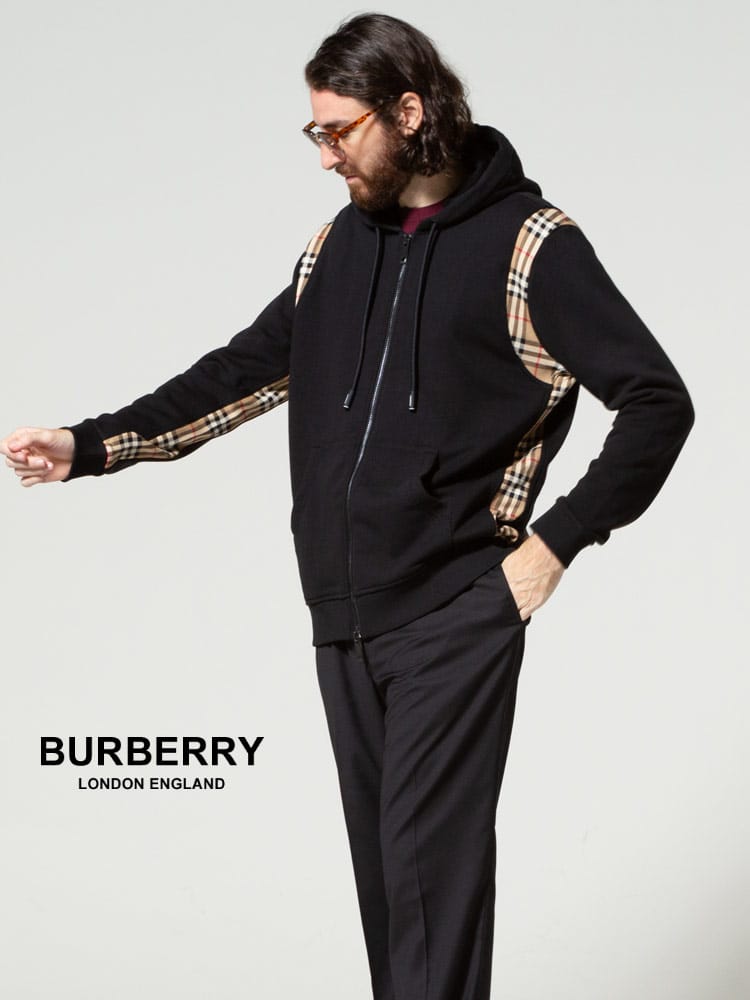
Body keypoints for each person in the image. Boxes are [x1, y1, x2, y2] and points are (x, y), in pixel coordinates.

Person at [0, 13, 694, 1000]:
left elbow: (658, 401)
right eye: (314, 132)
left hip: (454, 613)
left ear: (408, 113)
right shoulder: (338, 247)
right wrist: (93, 444)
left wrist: (552, 548)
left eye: (338, 130)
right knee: (394, 909)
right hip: (342, 620)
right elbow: (242, 372)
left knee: (427, 906)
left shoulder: (527, 245)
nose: (324, 155)